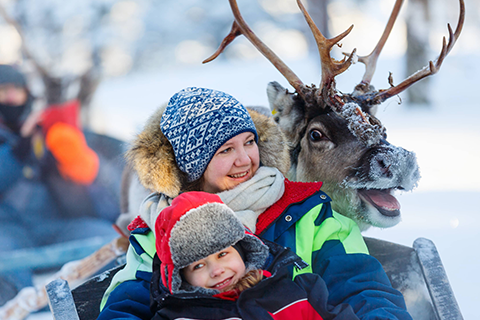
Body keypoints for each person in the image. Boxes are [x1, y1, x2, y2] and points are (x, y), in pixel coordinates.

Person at [98, 87, 412, 319]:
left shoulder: (307, 214)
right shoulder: (158, 233)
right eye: (225, 151)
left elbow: (362, 287)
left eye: (249, 142)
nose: (244, 160)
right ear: (193, 166)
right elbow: (124, 307)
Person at [0, 64, 119, 304]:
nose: (11, 96)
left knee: (107, 242)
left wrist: (65, 153)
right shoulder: (16, 142)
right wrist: (16, 154)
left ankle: (102, 304)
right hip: (8, 231)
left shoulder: (47, 128)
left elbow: (95, 170)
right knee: (5, 267)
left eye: (16, 89)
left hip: (59, 226)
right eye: (3, 90)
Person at [150, 191, 360, 320]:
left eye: (223, 254)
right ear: (181, 278)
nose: (217, 270)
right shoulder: (178, 316)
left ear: (243, 251)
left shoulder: (294, 293)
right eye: (198, 266)